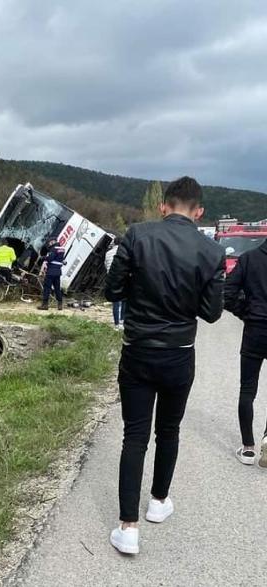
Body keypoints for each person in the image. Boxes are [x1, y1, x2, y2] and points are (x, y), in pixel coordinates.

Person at [105, 176, 225, 555]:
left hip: (139, 350)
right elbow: (212, 313)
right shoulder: (211, 251)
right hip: (178, 353)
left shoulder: (137, 236)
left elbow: (112, 290)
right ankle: (158, 502)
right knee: (169, 431)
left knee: (134, 436)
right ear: (199, 211)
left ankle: (128, 527)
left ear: (164, 205)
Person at [224, 237, 267, 467]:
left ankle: (248, 448)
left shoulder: (249, 258)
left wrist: (245, 313)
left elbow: (227, 293)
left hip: (255, 329)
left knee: (248, 388)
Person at [37, 237, 65, 311]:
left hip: (51, 272)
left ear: (52, 242)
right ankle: (60, 304)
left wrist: (44, 258)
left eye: (49, 243)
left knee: (47, 288)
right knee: (57, 288)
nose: (49, 244)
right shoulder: (62, 249)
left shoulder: (53, 249)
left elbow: (50, 259)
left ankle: (45, 305)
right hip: (58, 272)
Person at [105, 237, 125, 329]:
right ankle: (122, 321)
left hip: (111, 278)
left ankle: (116, 324)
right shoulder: (124, 252)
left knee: (115, 302)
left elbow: (106, 265)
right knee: (125, 300)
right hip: (122, 278)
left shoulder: (108, 253)